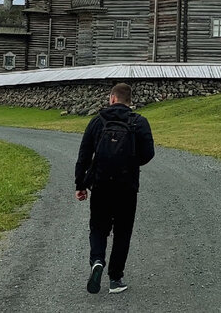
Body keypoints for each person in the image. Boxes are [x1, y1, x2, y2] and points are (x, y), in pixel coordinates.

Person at [75, 82, 154, 294]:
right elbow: (149, 154)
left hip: (100, 184)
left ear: (111, 98)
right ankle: (115, 279)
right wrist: (130, 162)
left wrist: (80, 184)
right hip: (127, 186)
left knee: (98, 227)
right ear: (130, 100)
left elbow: (84, 155)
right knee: (123, 232)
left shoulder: (97, 121)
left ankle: (97, 261)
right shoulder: (139, 122)